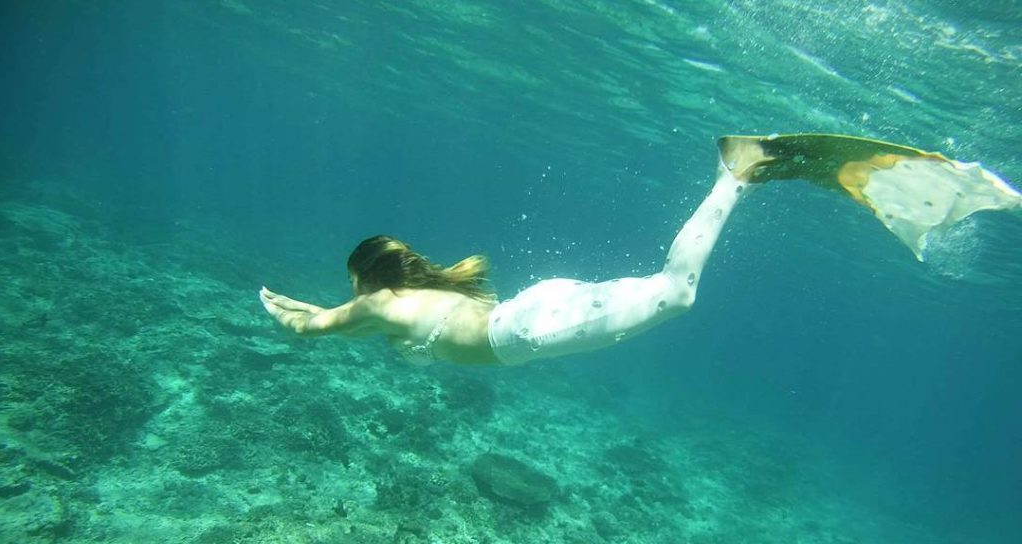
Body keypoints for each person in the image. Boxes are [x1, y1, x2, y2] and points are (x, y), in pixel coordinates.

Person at [261, 134, 1021, 366]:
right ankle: (752, 175)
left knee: (678, 290)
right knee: (671, 289)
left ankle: (739, 173)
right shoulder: (414, 295)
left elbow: (320, 326)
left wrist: (278, 309)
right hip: (535, 308)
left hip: (531, 329)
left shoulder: (378, 305)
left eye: (351, 284)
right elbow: (337, 319)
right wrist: (309, 308)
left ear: (367, 276)